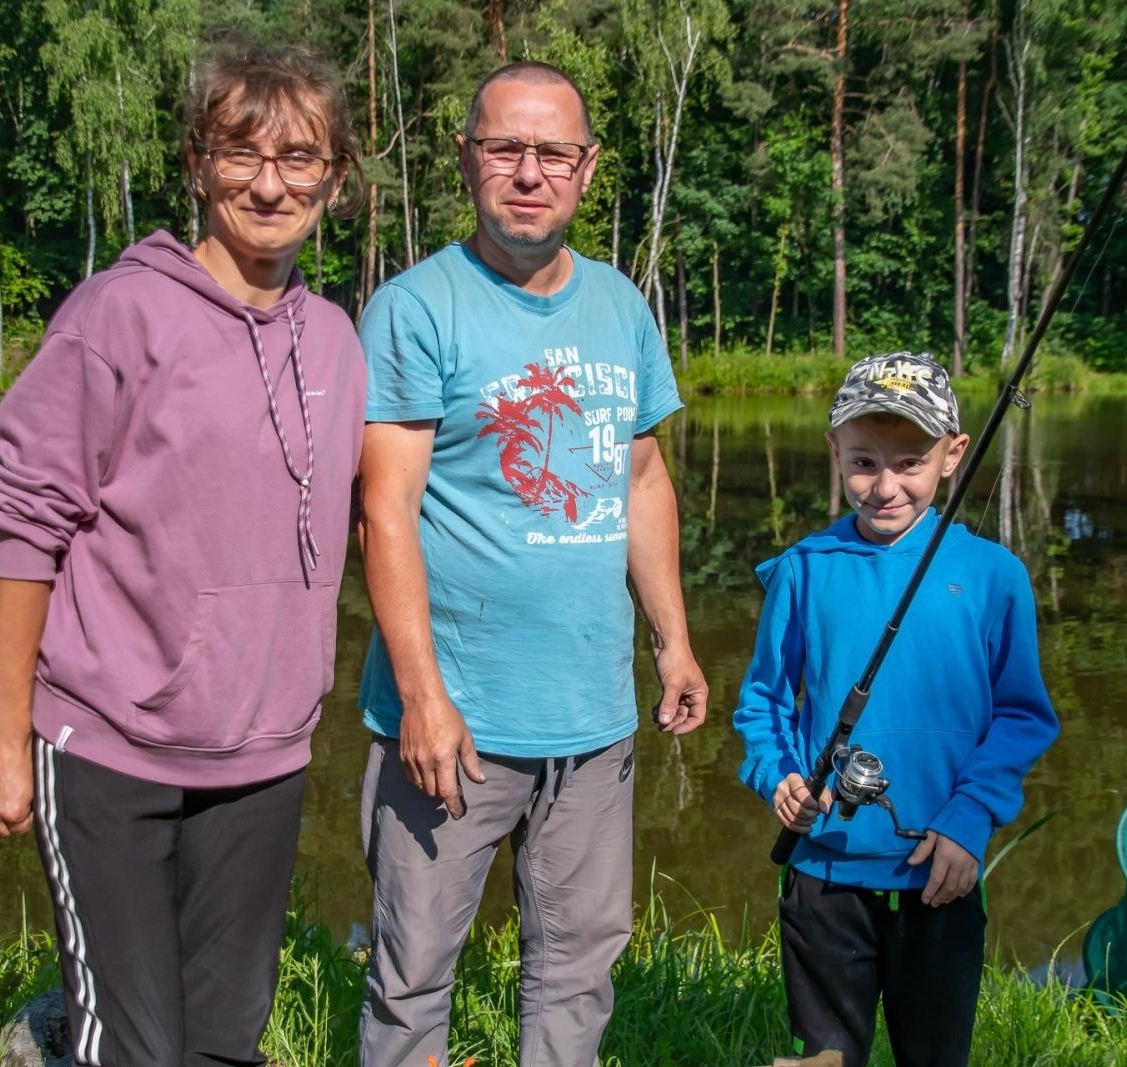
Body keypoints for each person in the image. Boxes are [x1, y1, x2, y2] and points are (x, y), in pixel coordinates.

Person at [0, 41, 365, 1067]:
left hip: (264, 751)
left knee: (224, 1040)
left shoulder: (334, 339)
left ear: (335, 178)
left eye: (299, 158)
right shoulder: (117, 315)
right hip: (106, 747)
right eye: (240, 153)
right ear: (195, 165)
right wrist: (4, 739)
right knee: (131, 1048)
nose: (269, 183)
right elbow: (25, 526)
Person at [355, 60, 708, 1067]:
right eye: (505, 147)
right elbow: (385, 510)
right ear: (468, 159)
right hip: (452, 722)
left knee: (578, 965)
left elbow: (641, 479)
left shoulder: (620, 306)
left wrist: (673, 640)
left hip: (591, 719)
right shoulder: (415, 308)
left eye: (552, 151)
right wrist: (422, 696)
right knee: (413, 967)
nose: (528, 172)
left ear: (587, 169)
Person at [732, 351, 1059, 1067]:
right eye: (864, 462)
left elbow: (1022, 716)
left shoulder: (994, 576)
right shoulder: (804, 569)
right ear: (834, 452)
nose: (884, 486)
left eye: (910, 461)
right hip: (823, 877)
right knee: (823, 1058)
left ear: (953, 455)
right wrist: (779, 775)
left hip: (939, 872)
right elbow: (762, 701)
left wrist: (970, 818)